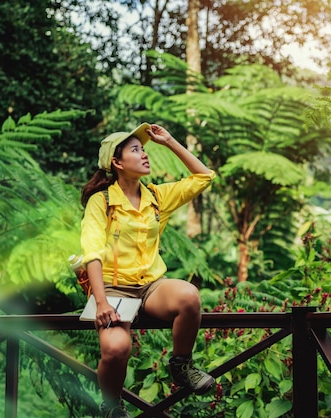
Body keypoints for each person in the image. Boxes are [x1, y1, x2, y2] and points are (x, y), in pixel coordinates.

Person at [80, 123, 216, 418]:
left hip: (152, 286)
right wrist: (101, 301)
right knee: (116, 349)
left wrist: (169, 141)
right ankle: (111, 406)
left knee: (189, 296)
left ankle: (181, 365)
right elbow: (92, 253)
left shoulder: (156, 196)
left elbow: (204, 177)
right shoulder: (100, 202)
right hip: (114, 290)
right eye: (135, 150)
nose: (144, 155)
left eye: (143, 149)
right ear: (116, 163)